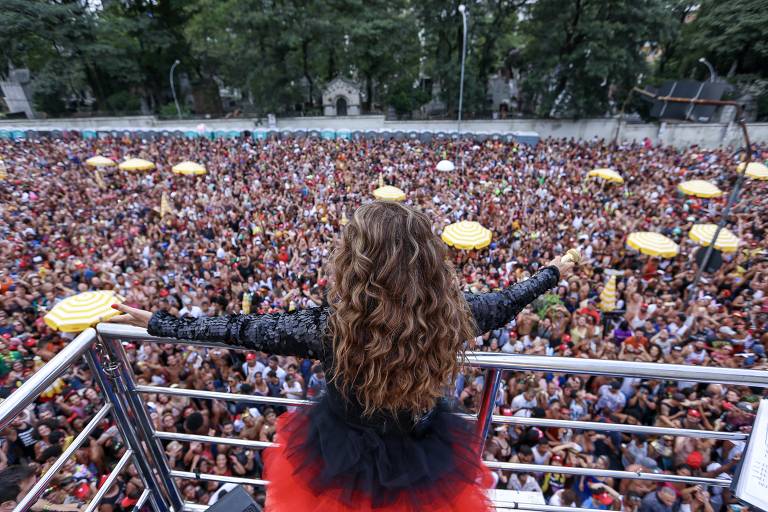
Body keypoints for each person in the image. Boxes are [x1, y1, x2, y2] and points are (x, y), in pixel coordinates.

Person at [109, 201, 572, 511]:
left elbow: (239, 328)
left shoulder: (331, 327)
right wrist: (554, 271)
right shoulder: (456, 315)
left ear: (355, 262)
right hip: (426, 456)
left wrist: (155, 320)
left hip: (338, 457)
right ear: (430, 260)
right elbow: (511, 299)